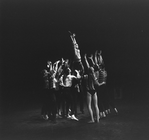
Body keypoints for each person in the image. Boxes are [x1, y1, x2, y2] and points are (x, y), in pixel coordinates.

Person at [84, 54, 101, 123]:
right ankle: (97, 119)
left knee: (89, 106)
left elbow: (88, 67)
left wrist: (85, 59)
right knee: (96, 105)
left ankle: (92, 119)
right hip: (94, 91)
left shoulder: (86, 76)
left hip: (89, 91)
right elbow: (97, 84)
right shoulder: (95, 75)